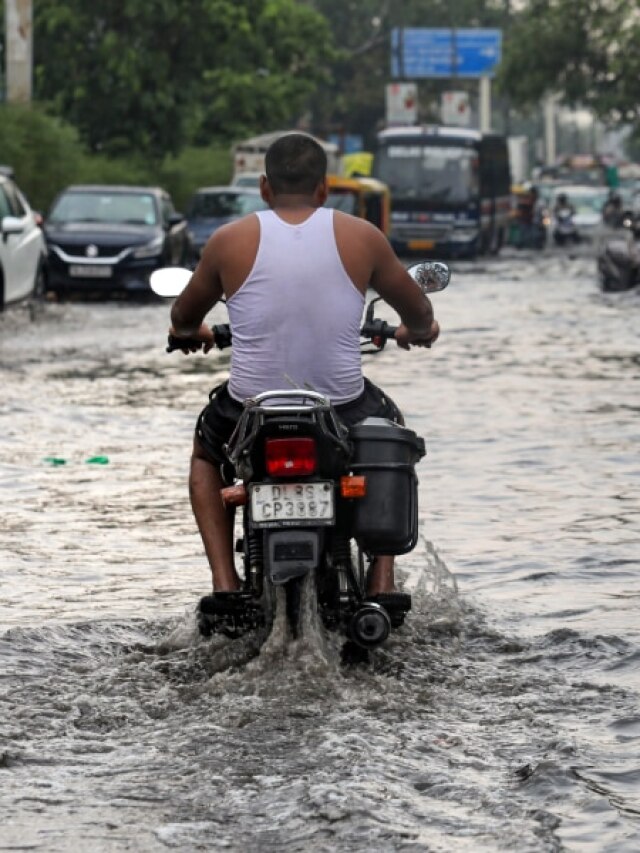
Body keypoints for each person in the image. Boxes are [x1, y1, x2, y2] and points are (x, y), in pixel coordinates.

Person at [169, 133, 440, 611]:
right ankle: (381, 581)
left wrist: (193, 333)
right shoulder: (362, 237)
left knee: (206, 454)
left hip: (249, 412)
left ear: (264, 187)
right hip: (342, 409)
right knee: (390, 435)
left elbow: (182, 317)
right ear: (323, 188)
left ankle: (225, 585)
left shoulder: (228, 240)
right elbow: (418, 312)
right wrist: (418, 330)